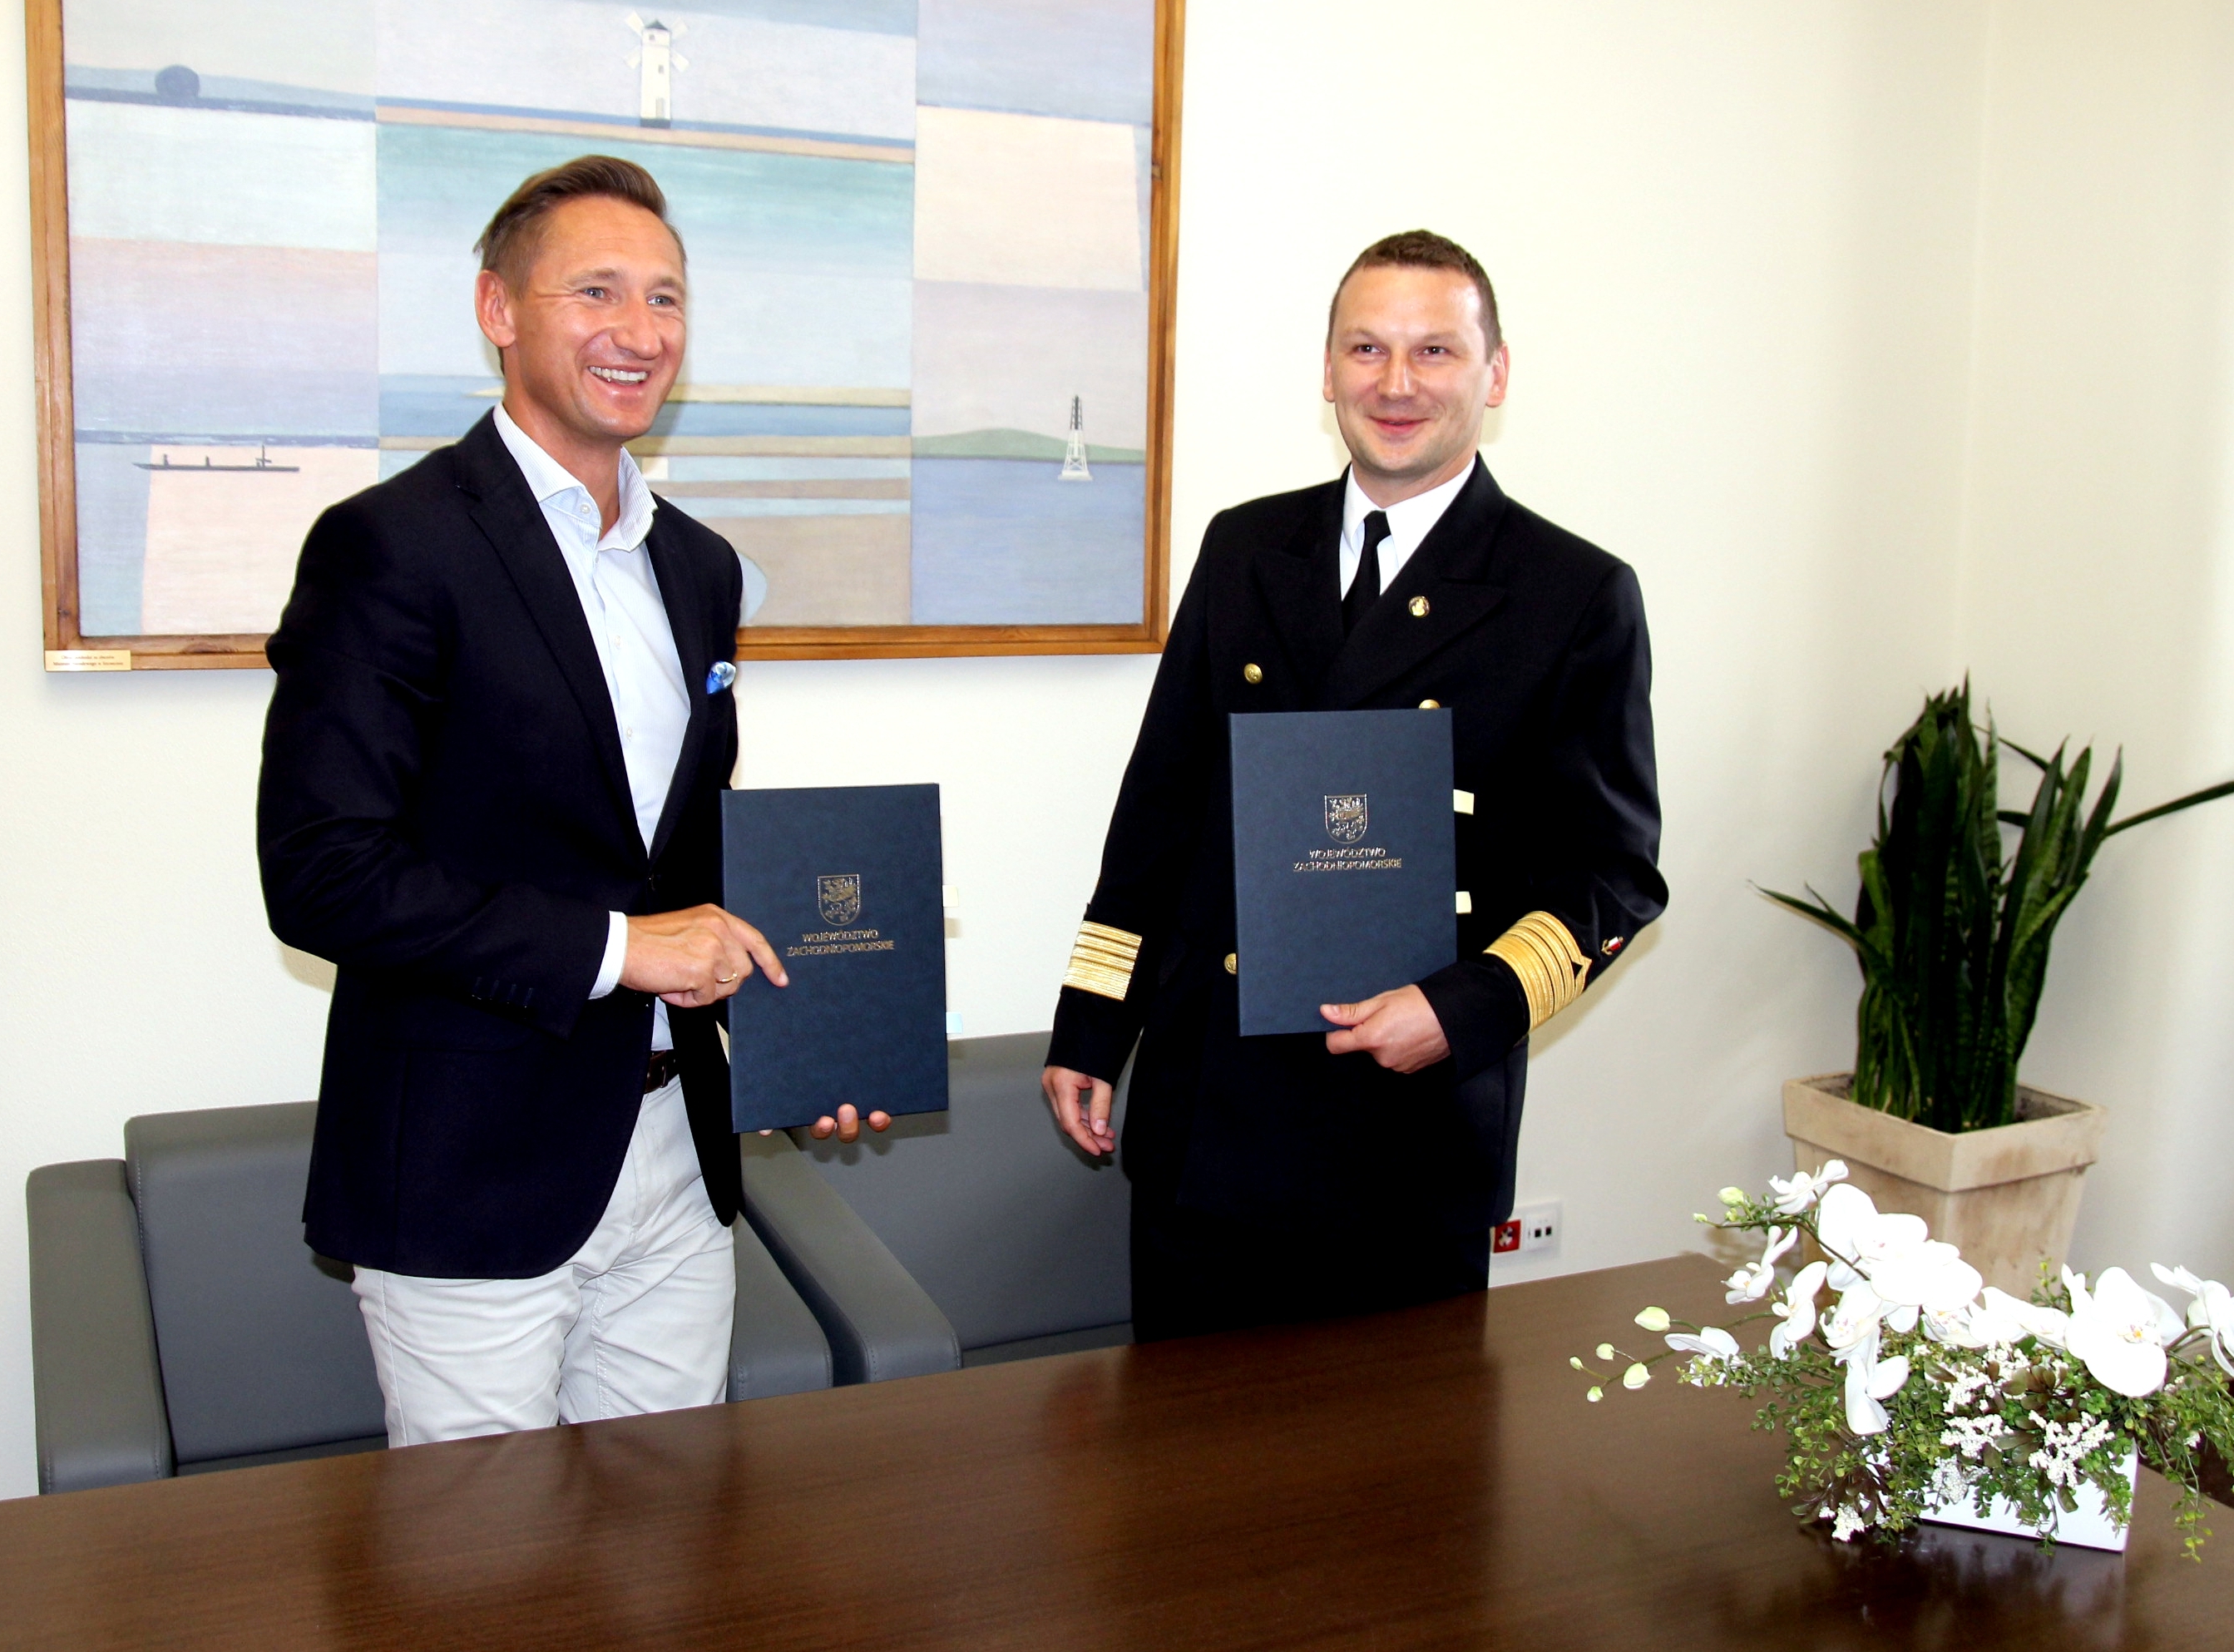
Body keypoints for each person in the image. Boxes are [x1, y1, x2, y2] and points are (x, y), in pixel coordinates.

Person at [258, 156, 885, 1445]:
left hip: (676, 1159)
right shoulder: (393, 545)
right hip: (468, 1168)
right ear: (498, 308)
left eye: (665, 298)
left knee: (667, 1546)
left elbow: (681, 861)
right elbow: (324, 871)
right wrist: (618, 949)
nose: (638, 332)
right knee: (485, 1552)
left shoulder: (699, 566)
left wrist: (812, 1041)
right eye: (596, 291)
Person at [1041, 231, 1665, 1341]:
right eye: (1367, 348)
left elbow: (1613, 877)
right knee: (1184, 1449)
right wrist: (1093, 1024)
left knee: (1396, 1455)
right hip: (1208, 1121)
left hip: (1406, 1138)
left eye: (1435, 350)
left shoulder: (1570, 593)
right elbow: (1158, 815)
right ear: (1327, 371)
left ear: (1495, 374)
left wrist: (1461, 1008)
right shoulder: (1245, 548)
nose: (1396, 383)